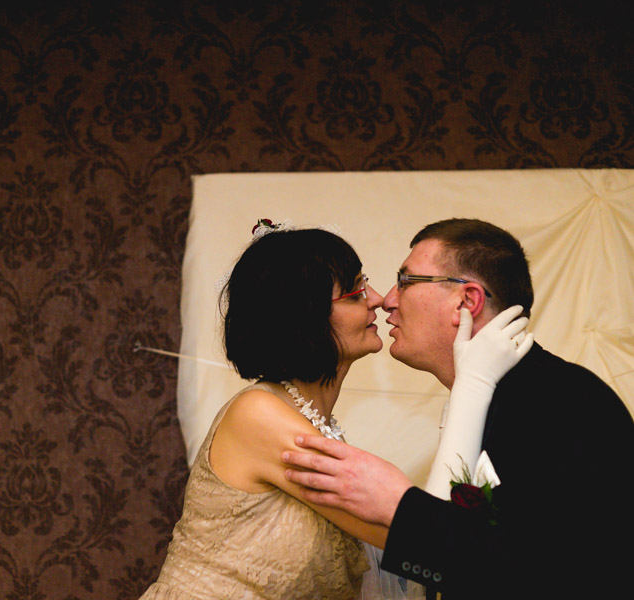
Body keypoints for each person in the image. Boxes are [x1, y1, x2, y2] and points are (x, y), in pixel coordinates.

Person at [140, 223, 530, 600]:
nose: (378, 299)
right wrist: (471, 385)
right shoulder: (257, 415)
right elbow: (431, 541)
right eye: (357, 291)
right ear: (306, 314)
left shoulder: (316, 425)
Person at [281, 218, 634, 599]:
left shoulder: (565, 405)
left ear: (466, 302)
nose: (388, 300)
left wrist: (399, 505)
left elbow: (547, 572)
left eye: (405, 281)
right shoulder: (496, 396)